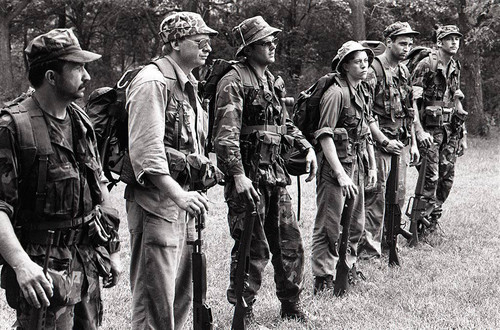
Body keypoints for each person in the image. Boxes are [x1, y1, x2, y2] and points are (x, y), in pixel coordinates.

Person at [0, 28, 121, 329]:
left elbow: (98, 189)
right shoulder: (14, 127)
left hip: (86, 262)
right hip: (44, 271)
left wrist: (111, 250)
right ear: (51, 76)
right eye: (78, 67)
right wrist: (21, 264)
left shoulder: (79, 120)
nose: (87, 76)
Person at [213, 16, 317, 322]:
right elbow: (225, 136)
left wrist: (306, 147)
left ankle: (291, 305)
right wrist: (237, 175)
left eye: (273, 40)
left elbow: (283, 125)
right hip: (247, 180)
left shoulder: (273, 81)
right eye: (265, 42)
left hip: (275, 176)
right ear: (248, 48)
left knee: (290, 244)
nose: (272, 45)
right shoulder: (233, 81)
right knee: (251, 248)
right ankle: (243, 311)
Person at [125, 11, 216, 330]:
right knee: (155, 300)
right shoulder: (151, 82)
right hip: (157, 205)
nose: (208, 47)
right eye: (200, 41)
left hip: (182, 204)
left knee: (180, 296)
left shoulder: (188, 85)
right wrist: (179, 195)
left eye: (209, 42)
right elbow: (145, 153)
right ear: (176, 42)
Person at [311, 41, 377, 294]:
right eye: (358, 61)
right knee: (329, 224)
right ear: (345, 65)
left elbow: (364, 130)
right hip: (335, 168)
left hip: (357, 164)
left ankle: (347, 268)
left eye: (366, 60)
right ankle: (324, 278)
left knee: (356, 223)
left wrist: (370, 163)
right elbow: (324, 135)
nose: (364, 65)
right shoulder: (336, 93)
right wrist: (339, 173)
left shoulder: (362, 90)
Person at [358, 22, 420, 260]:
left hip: (401, 142)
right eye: (402, 43)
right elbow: (365, 112)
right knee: (377, 196)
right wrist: (383, 141)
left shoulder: (404, 71)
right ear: (389, 42)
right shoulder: (373, 70)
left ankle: (388, 243)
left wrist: (412, 142)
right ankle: (369, 251)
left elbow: (408, 110)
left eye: (410, 44)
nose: (407, 48)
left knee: (398, 196)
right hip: (378, 144)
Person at [411, 25, 467, 233]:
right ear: (439, 42)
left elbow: (456, 100)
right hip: (429, 132)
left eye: (457, 39)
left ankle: (432, 223)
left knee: (446, 179)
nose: (454, 42)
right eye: (449, 38)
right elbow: (412, 102)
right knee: (430, 178)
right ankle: (417, 228)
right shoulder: (426, 65)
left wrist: (463, 135)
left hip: (450, 131)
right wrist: (419, 132)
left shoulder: (455, 66)